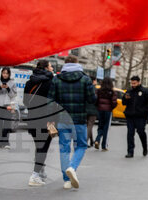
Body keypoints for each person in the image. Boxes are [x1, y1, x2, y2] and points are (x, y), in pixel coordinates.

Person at [49, 56, 96, 189]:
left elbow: (50, 101)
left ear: (65, 64)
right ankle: (72, 167)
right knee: (81, 146)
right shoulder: (85, 79)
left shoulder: (56, 79)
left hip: (63, 119)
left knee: (64, 148)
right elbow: (92, 100)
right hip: (79, 119)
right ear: (77, 63)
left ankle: (67, 180)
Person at [24, 60, 63, 186]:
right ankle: (35, 175)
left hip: (32, 118)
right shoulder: (51, 82)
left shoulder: (29, 82)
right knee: (43, 148)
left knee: (39, 146)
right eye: (51, 66)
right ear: (46, 68)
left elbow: (25, 102)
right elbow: (54, 102)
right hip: (48, 120)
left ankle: (40, 171)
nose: (52, 68)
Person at [122, 75, 148, 158]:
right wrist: (125, 98)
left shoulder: (145, 91)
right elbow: (123, 102)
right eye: (132, 83)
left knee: (141, 132)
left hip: (140, 116)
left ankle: (145, 147)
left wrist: (145, 111)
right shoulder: (129, 91)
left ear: (139, 82)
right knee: (130, 134)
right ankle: (130, 152)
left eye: (134, 83)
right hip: (130, 116)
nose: (133, 85)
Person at [0, 66, 17, 149]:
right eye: (3, 73)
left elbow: (13, 95)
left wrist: (8, 88)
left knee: (7, 125)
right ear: (1, 73)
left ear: (9, 74)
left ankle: (5, 142)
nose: (5, 75)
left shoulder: (12, 83)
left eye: (7, 73)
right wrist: (0, 87)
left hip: (8, 106)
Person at [94, 77, 117, 151]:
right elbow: (114, 102)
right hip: (108, 111)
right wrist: (111, 107)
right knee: (106, 128)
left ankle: (97, 140)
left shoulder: (98, 90)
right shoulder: (112, 92)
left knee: (100, 125)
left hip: (100, 110)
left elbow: (95, 100)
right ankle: (104, 146)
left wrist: (98, 106)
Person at [85, 77, 98, 147]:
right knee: (90, 126)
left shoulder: (85, 88)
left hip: (85, 109)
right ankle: (85, 142)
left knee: (88, 126)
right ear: (93, 81)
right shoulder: (95, 89)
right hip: (93, 109)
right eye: (96, 80)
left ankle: (91, 141)